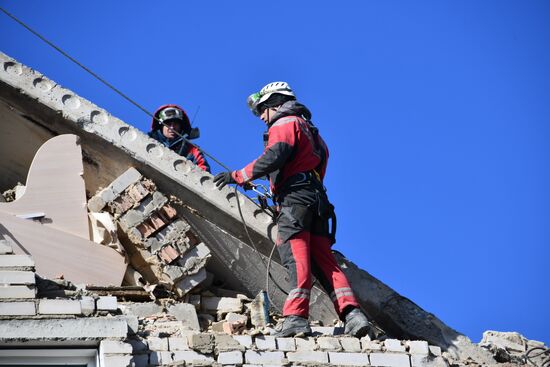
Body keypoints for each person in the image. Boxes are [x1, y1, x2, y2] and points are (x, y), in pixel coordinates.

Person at [213, 81, 374, 338]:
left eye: (262, 111)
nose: (262, 118)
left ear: (275, 103)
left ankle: (296, 318)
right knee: (324, 262)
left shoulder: (284, 123)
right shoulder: (314, 134)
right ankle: (353, 315)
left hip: (295, 202)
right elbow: (317, 168)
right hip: (317, 202)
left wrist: (238, 175)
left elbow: (275, 155)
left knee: (296, 257)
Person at [149, 104, 210, 172]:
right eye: (168, 124)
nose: (172, 128)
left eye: (175, 124)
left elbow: (204, 172)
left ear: (181, 127)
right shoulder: (149, 141)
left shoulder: (192, 150)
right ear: (161, 126)